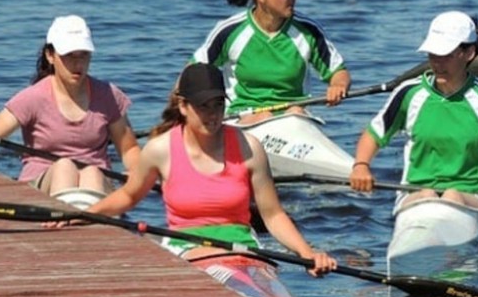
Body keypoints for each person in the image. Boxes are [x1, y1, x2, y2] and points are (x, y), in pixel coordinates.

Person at [82, 62, 337, 276]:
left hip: (242, 246)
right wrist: (86, 214)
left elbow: (273, 215)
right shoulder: (160, 150)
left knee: (233, 266)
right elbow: (128, 196)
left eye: (218, 104)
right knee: (214, 263)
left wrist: (307, 253)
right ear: (183, 106)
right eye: (203, 106)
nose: (213, 114)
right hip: (184, 247)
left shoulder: (249, 148)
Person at [350, 10, 478, 212]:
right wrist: (361, 165)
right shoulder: (408, 94)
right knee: (427, 195)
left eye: (446, 55)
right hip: (415, 194)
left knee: (451, 195)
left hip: (477, 195)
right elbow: (373, 134)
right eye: (433, 54)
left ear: (469, 53)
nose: (437, 63)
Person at [0, 15, 140, 207]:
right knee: (64, 167)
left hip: (96, 182)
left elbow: (129, 149)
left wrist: (135, 170)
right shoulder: (33, 98)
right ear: (50, 55)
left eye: (84, 55)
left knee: (92, 173)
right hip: (43, 180)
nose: (78, 65)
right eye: (69, 56)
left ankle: (85, 221)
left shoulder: (108, 95)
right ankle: (70, 219)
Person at [191, 0, 351, 124]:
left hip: (294, 115)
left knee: (296, 112)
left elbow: (339, 72)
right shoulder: (229, 31)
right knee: (264, 117)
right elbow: (192, 72)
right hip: (243, 117)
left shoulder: (308, 31)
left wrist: (338, 86)